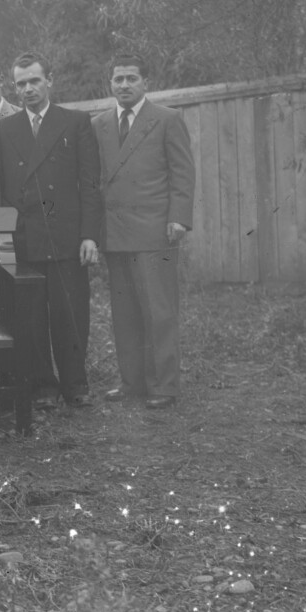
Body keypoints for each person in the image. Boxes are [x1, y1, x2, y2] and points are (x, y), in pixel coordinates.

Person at [0, 52, 102, 409]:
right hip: (24, 238)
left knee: (71, 315)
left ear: (49, 81)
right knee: (32, 315)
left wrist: (89, 235)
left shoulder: (75, 122)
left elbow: (90, 184)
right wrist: (4, 244)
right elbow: (1, 190)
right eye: (21, 84)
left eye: (34, 81)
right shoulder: (3, 130)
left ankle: (75, 384)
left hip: (67, 236)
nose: (27, 89)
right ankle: (43, 386)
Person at [95, 54, 195, 409]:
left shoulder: (167, 120)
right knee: (124, 313)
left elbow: (182, 172)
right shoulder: (100, 124)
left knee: (159, 311)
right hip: (116, 233)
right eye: (118, 78)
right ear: (110, 83)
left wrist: (179, 217)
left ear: (145, 83)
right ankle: (131, 381)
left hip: (156, 232)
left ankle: (164, 385)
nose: (123, 84)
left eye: (131, 78)